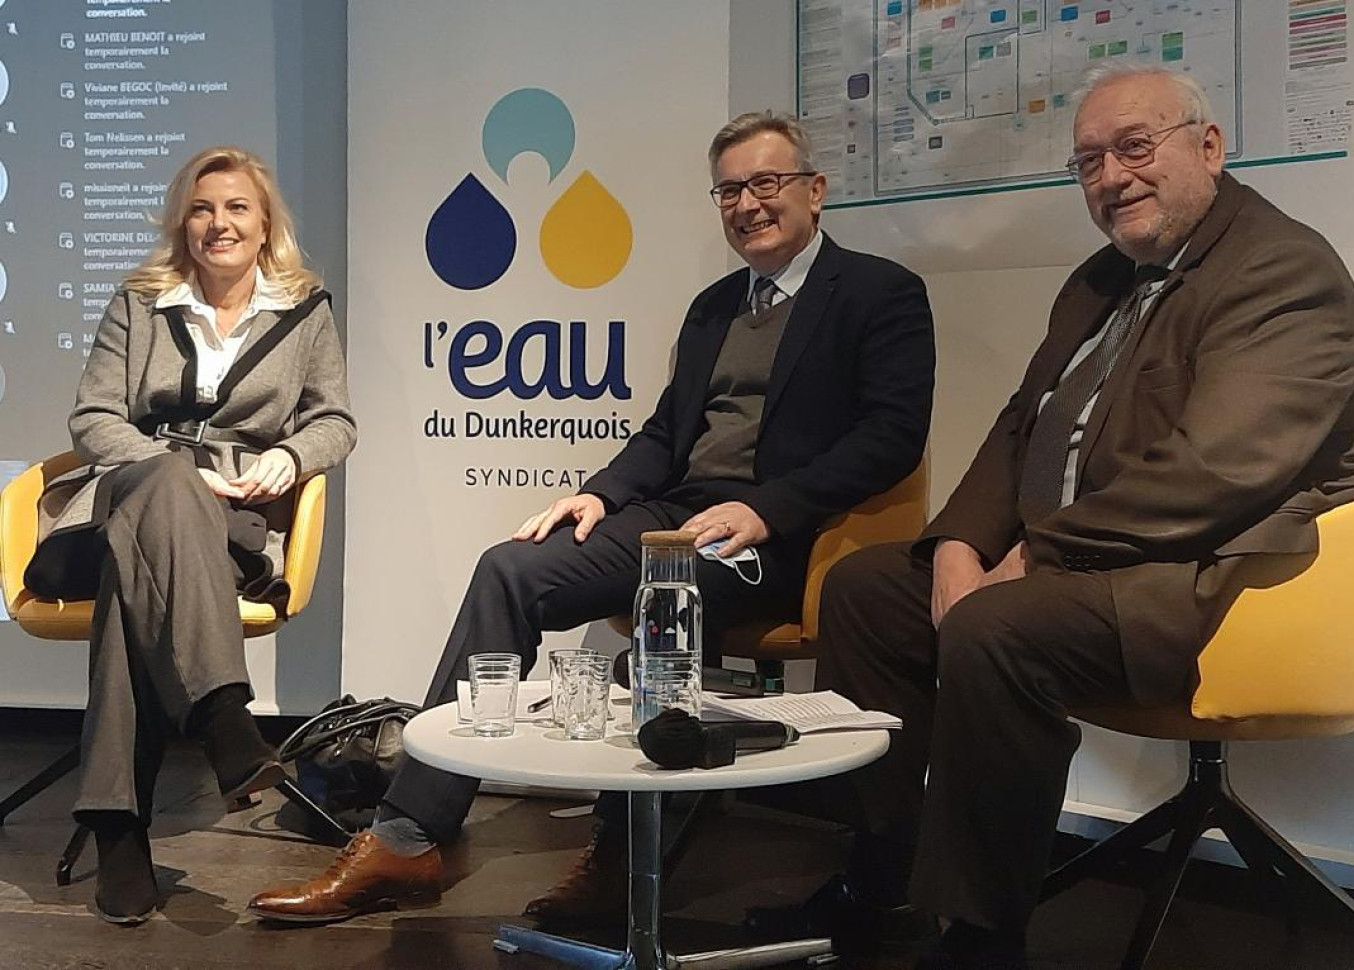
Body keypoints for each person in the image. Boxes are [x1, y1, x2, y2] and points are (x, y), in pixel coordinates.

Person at [247, 110, 935, 925]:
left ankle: (621, 858)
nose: (748, 203)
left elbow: (892, 438)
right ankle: (408, 837)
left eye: (767, 183)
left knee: (664, 611)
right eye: (730, 189)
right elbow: (666, 433)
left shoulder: (879, 293)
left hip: (779, 537)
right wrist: (602, 493)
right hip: (674, 517)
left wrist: (767, 509)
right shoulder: (714, 306)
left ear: (814, 192)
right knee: (512, 568)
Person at [780, 64, 1354, 970]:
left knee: (998, 628)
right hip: (1092, 562)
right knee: (866, 589)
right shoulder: (1101, 277)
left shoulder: (1284, 270)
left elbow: (1216, 475)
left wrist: (1030, 559)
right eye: (1088, 161)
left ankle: (981, 937)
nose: (1111, 177)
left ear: (1208, 148)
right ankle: (881, 872)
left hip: (1215, 575)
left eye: (1135, 147)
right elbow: (1022, 423)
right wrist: (957, 547)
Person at [25, 146, 357, 924]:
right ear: (184, 220)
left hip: (226, 526)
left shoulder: (305, 309)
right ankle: (222, 717)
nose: (219, 224)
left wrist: (288, 455)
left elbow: (335, 420)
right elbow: (94, 418)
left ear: (265, 221)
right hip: (123, 499)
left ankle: (116, 827)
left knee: (129, 586)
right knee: (164, 485)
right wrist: (170, 467)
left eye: (237, 207)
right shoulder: (140, 302)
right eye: (204, 208)